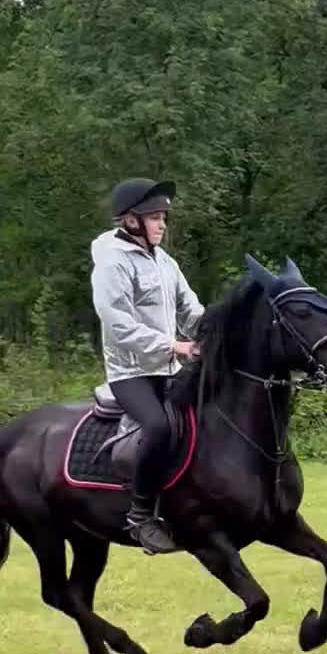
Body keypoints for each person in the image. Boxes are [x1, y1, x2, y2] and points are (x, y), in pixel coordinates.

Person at [91, 177, 203, 554]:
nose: (162, 224)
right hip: (130, 373)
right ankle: (140, 517)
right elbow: (116, 322)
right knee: (157, 426)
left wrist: (214, 334)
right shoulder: (112, 262)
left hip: (168, 369)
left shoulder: (165, 262)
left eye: (164, 217)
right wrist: (173, 345)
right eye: (155, 217)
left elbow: (190, 309)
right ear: (131, 220)